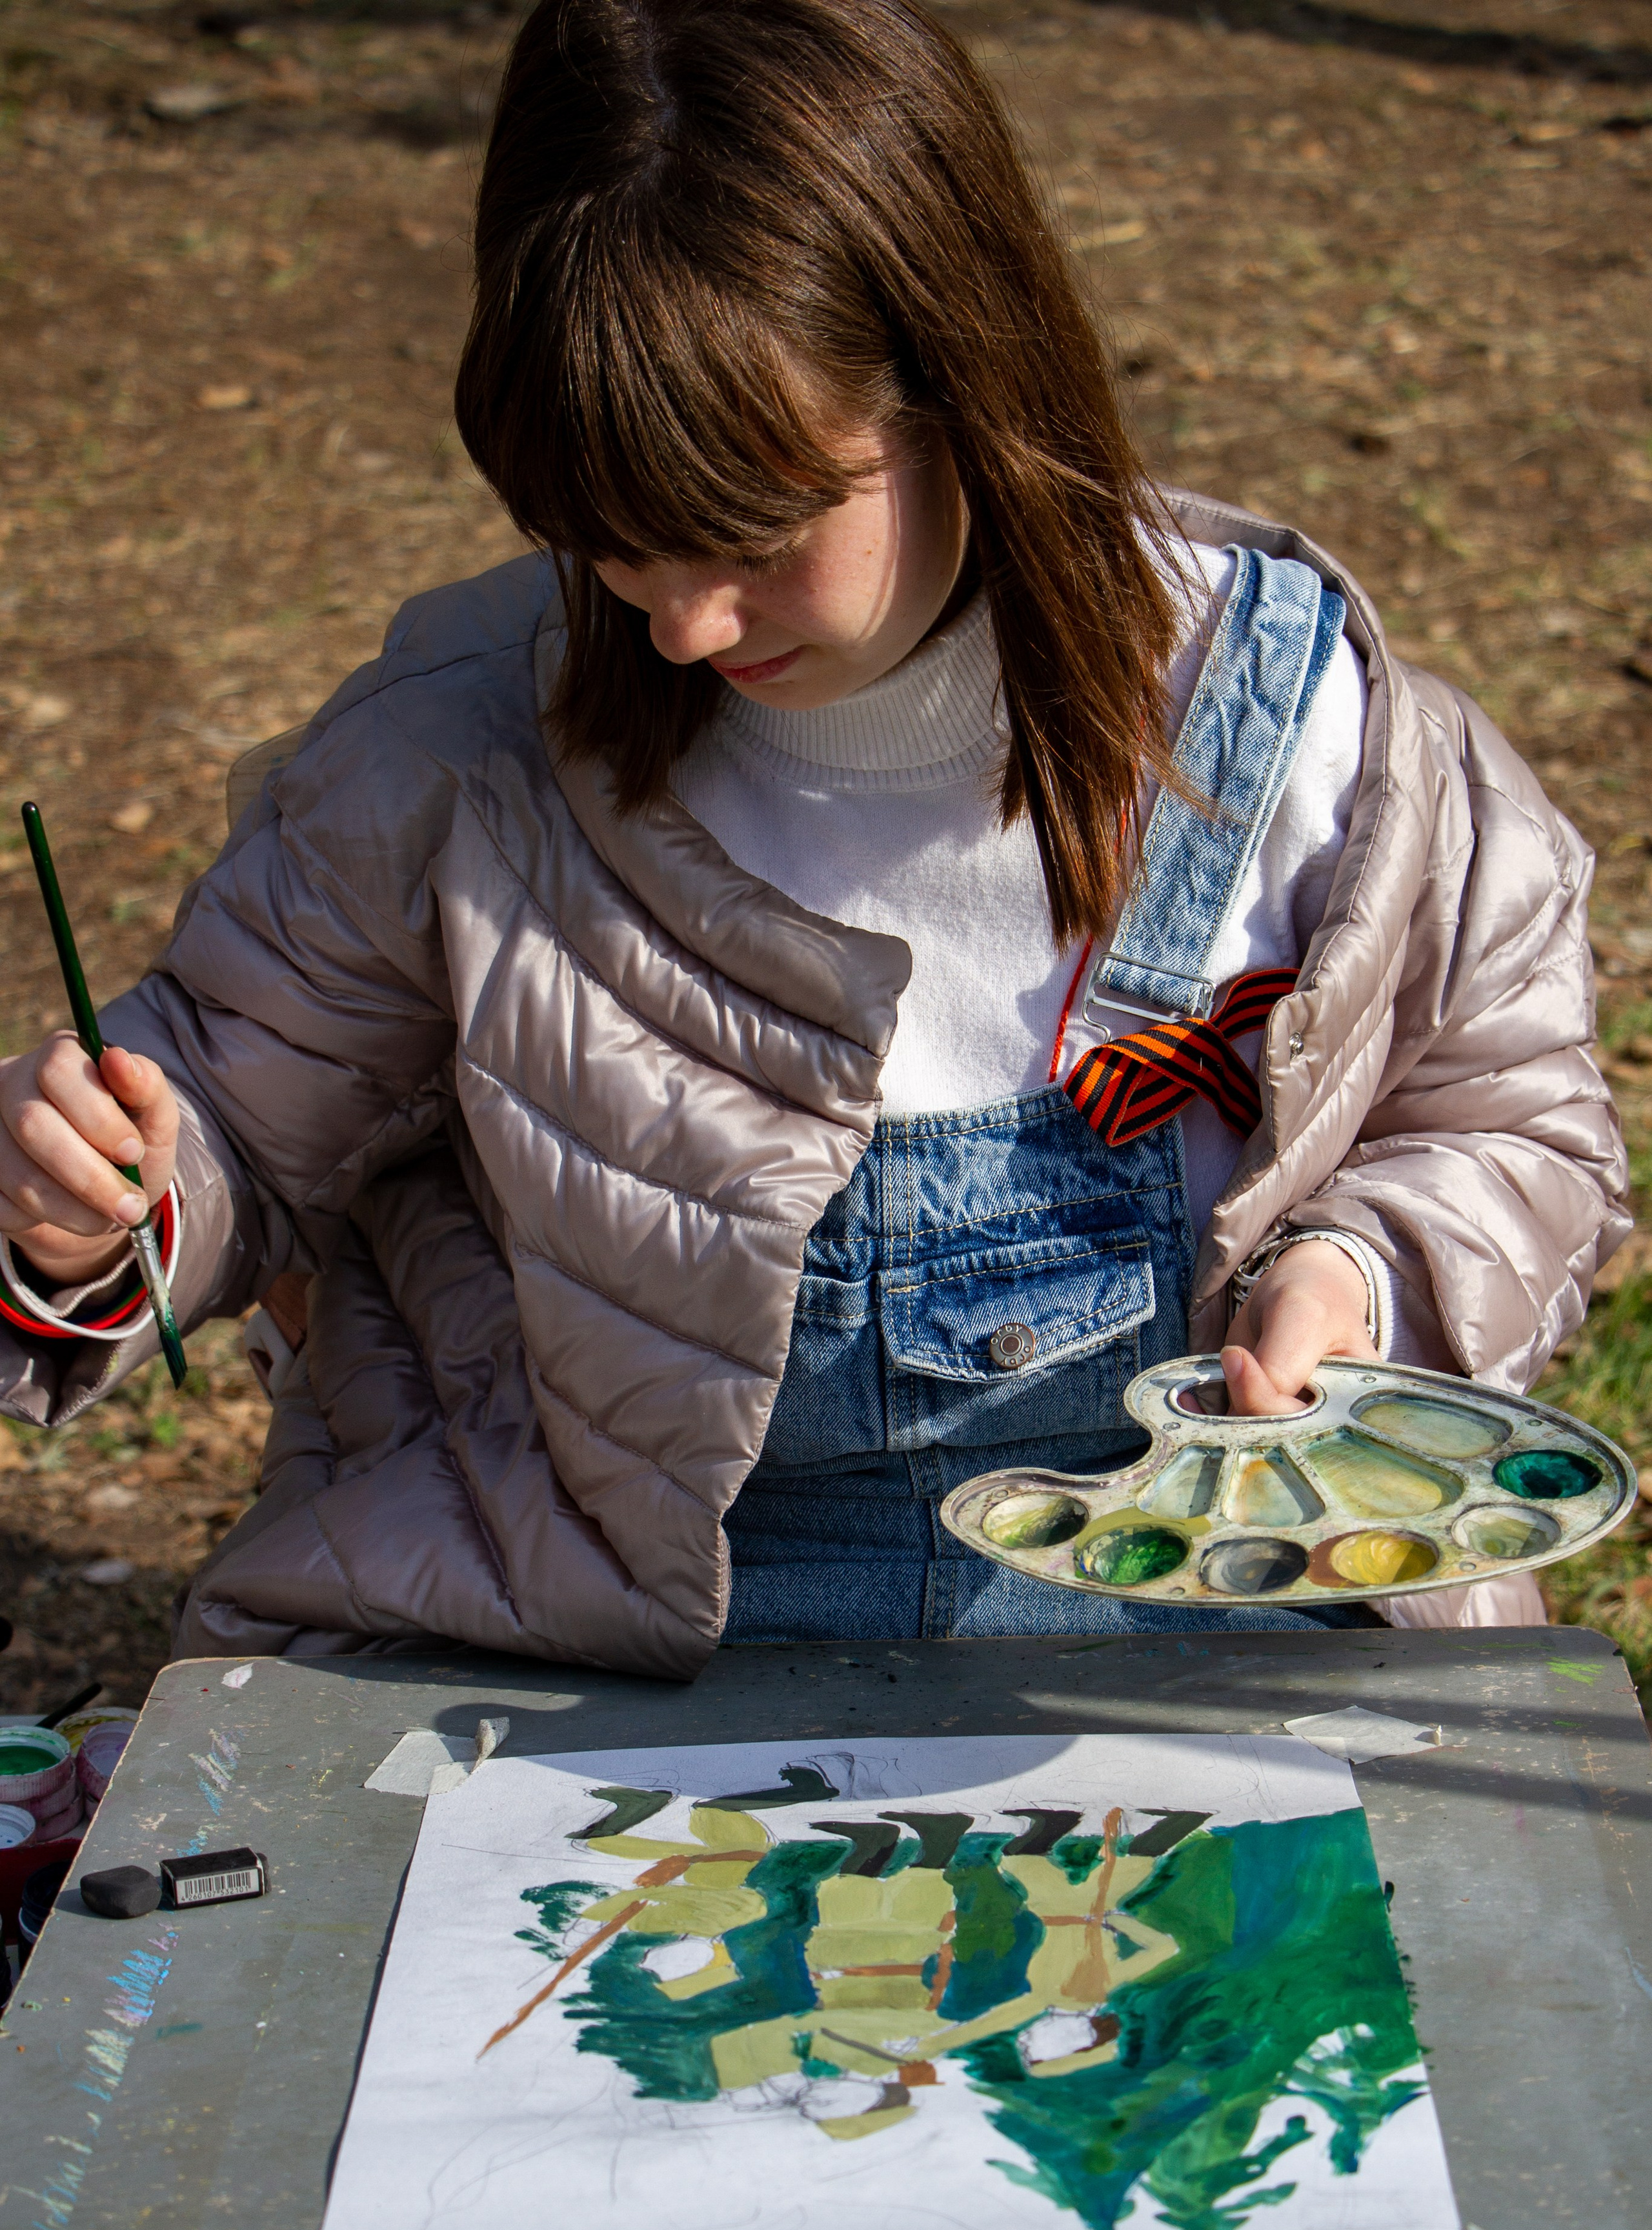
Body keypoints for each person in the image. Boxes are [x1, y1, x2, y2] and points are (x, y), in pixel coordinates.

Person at [0, 0, 1627, 1677]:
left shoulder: (1314, 741)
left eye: (753, 533)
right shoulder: (466, 748)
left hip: (1217, 1630)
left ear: (965, 382)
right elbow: (225, 1126)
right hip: (614, 1653)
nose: (691, 628)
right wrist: (89, 1209)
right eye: (612, 545)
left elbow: (1512, 1123)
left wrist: (1355, 1275)